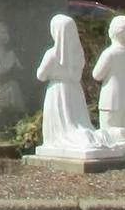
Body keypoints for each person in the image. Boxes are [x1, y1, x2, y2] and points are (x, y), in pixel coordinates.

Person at [33, 12, 107, 156]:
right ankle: (86, 136)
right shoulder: (78, 54)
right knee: (76, 119)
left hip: (57, 91)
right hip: (74, 90)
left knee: (64, 125)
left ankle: (59, 140)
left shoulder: (51, 54)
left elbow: (41, 75)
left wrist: (53, 73)